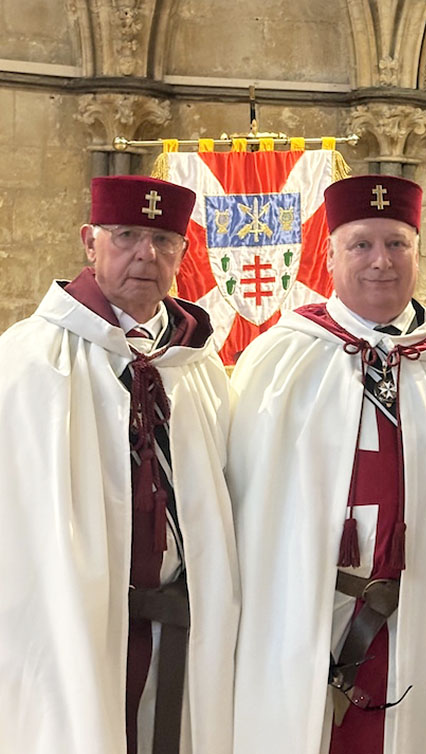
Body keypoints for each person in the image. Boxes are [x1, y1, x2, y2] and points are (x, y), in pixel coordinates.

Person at [228, 175, 426, 754]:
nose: (381, 261)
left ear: (418, 254)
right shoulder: (280, 359)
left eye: (397, 244)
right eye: (361, 245)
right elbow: (244, 496)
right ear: (329, 255)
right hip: (304, 609)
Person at [0, 176, 239, 754]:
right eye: (126, 234)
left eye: (163, 240)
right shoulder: (29, 359)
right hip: (70, 619)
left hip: (180, 619)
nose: (145, 254)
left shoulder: (198, 366)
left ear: (184, 254)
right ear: (90, 242)